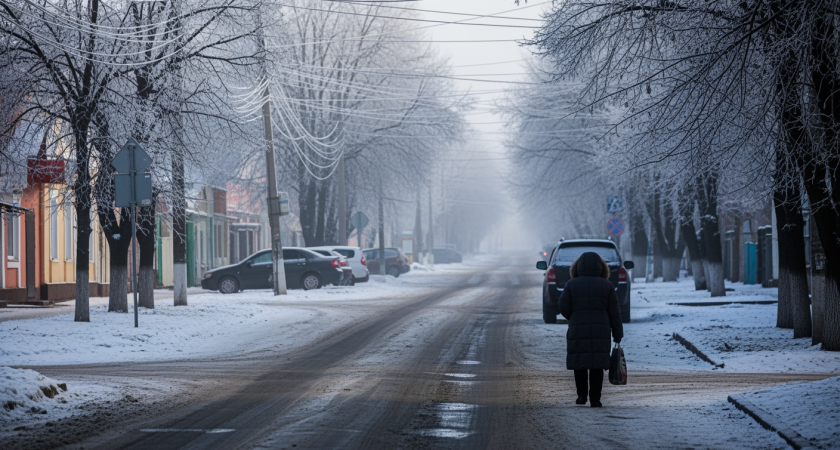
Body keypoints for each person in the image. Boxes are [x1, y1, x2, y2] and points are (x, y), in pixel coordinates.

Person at [558, 251, 623, 407]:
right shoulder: (607, 285)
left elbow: (563, 307)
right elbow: (615, 312)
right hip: (601, 331)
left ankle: (581, 396)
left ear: (577, 267)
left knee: (579, 363)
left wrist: (574, 317)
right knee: (597, 366)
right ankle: (595, 399)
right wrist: (618, 334)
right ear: (601, 268)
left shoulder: (571, 284)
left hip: (577, 329)